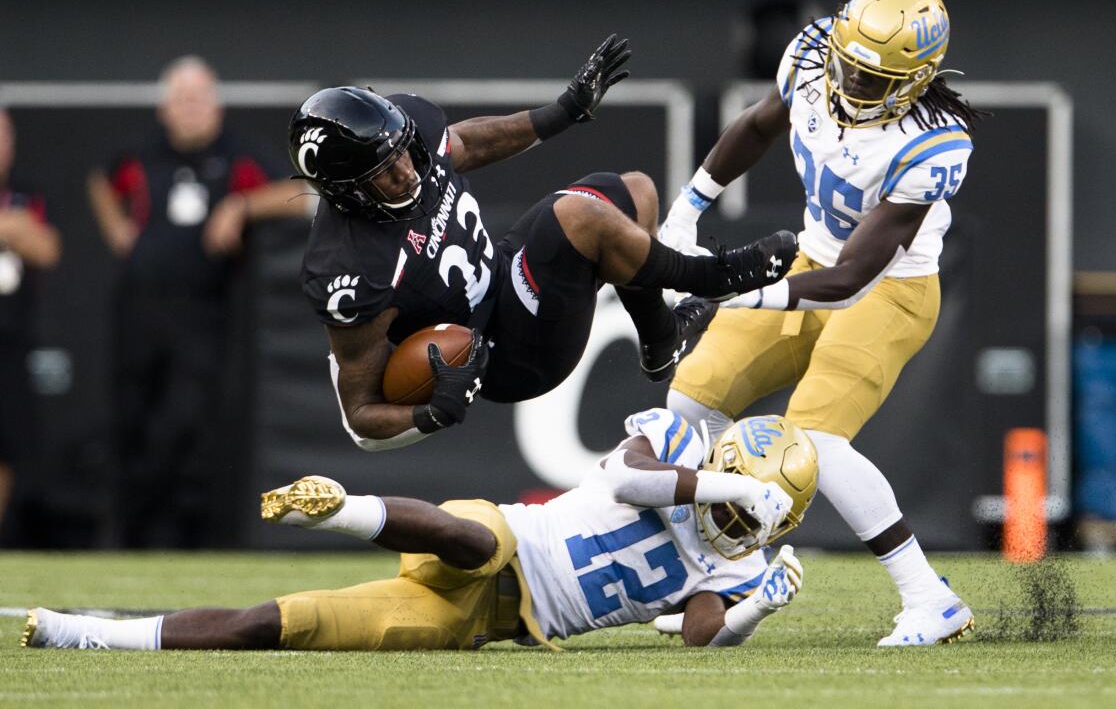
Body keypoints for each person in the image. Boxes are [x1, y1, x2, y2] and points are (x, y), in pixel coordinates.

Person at [657, 0, 986, 646]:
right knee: (689, 405)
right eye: (847, 62)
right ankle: (711, 581)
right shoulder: (812, 54)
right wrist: (686, 211)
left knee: (816, 443)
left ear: (912, 81)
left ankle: (931, 599)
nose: (846, 81)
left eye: (869, 77)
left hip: (889, 290)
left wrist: (737, 291)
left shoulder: (933, 144)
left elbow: (852, 278)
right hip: (811, 263)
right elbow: (755, 125)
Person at [291, 36, 799, 453]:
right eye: (384, 172)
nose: (407, 171)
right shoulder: (351, 268)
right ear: (347, 191)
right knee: (579, 217)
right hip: (502, 350)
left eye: (403, 151)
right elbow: (360, 418)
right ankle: (713, 278)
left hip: (503, 275)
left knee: (634, 192)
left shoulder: (408, 138)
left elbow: (465, 144)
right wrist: (430, 414)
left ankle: (660, 338)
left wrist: (563, 111)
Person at [22, 409, 817, 651]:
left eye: (751, 515)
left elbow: (698, 637)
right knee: (471, 538)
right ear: (720, 462)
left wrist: (757, 608)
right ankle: (340, 509)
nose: (732, 519)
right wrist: (724, 482)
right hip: (509, 535)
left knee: (287, 624)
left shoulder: (741, 565)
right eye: (733, 496)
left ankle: (83, 637)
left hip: (483, 621)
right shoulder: (679, 449)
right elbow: (627, 479)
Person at [87, 56, 312, 548]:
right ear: (164, 108)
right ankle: (128, 537)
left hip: (203, 311)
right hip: (139, 308)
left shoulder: (237, 155)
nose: (190, 110)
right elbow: (101, 183)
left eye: (199, 100)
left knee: (188, 421)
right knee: (132, 419)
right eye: (181, 100)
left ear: (216, 107)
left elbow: (302, 194)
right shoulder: (140, 153)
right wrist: (118, 231)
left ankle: (188, 536)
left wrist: (240, 205)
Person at [0, 108, 62, 536]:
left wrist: (18, 229)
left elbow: (46, 248)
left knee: (7, 447)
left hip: (8, 339)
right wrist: (10, 229)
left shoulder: (25, 193)